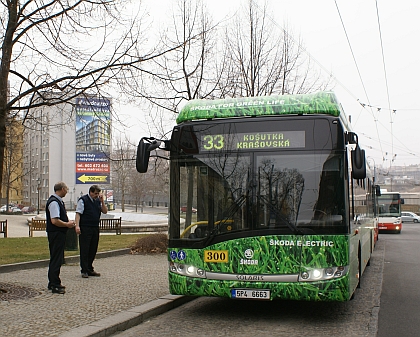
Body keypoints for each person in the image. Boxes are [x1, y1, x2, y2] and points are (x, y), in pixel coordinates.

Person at [46, 181, 76, 294]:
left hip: (57, 233)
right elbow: (54, 220)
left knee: (57, 257)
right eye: (66, 189)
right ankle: (54, 283)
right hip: (56, 233)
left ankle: (53, 282)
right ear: (62, 189)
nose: (67, 191)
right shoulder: (54, 202)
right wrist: (66, 224)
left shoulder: (58, 201)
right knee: (56, 258)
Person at [75, 185, 108, 278]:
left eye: (98, 194)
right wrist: (77, 226)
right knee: (85, 249)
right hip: (85, 227)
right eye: (95, 193)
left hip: (95, 227)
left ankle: (90, 268)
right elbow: (78, 213)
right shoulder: (83, 200)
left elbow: (105, 211)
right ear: (91, 192)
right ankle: (84, 270)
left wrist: (102, 201)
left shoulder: (98, 201)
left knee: (93, 249)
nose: (97, 195)